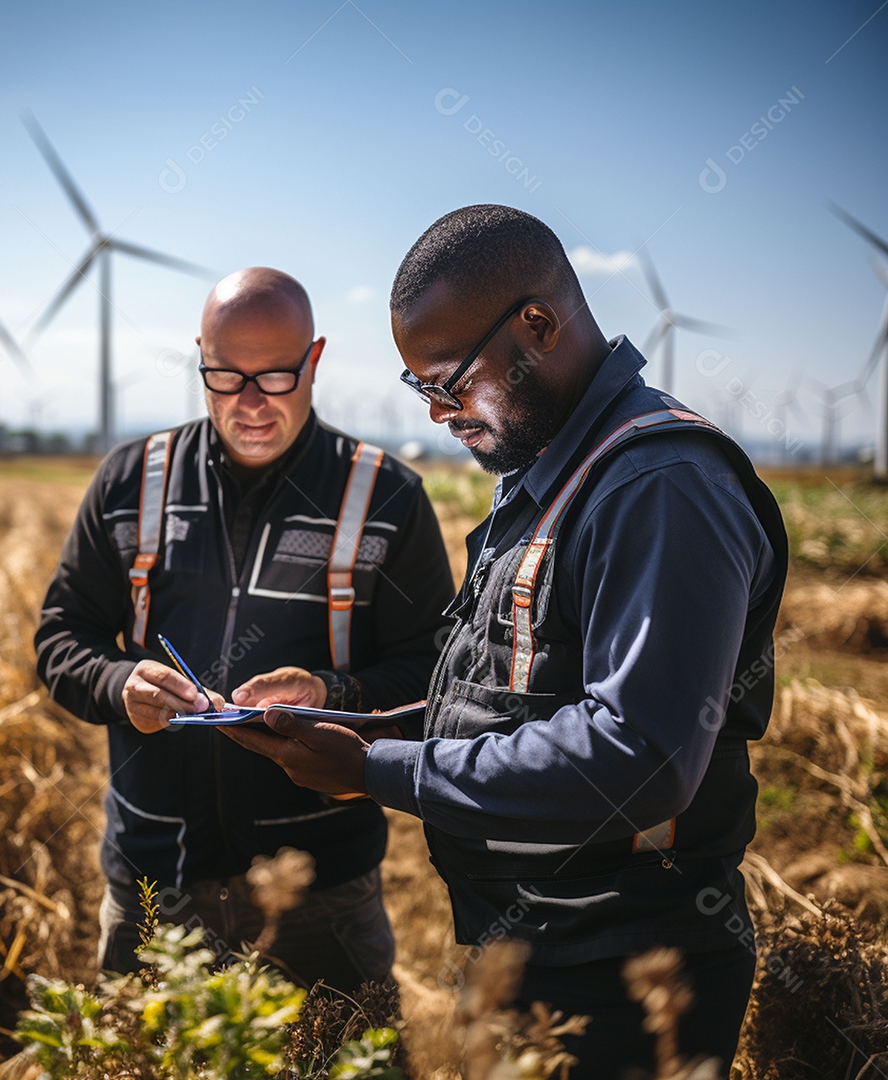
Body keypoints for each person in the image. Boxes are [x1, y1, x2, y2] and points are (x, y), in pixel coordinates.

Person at [222, 208, 788, 1074]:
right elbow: (510, 700)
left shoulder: (660, 486)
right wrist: (352, 722)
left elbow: (639, 754)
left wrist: (376, 772)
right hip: (539, 949)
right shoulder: (551, 470)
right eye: (423, 390)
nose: (443, 413)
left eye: (451, 379)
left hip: (626, 973)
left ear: (538, 325)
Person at [35, 267, 453, 991]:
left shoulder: (386, 496)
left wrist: (332, 691)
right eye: (226, 377)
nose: (251, 404)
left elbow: (436, 679)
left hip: (321, 894)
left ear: (315, 360)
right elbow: (60, 638)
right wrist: (118, 683)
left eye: (277, 376)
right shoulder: (129, 481)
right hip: (151, 883)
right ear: (200, 355)